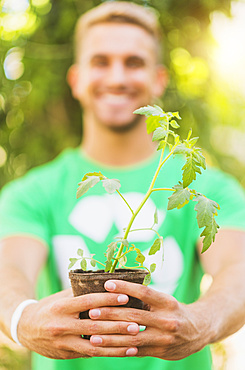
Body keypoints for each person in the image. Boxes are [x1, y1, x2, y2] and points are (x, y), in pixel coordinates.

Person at [0, 1, 245, 370]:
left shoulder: (210, 190)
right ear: (76, 79)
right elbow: (9, 270)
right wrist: (23, 319)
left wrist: (202, 321)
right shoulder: (33, 193)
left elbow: (237, 267)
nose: (117, 78)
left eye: (134, 62)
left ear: (158, 79)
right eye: (100, 62)